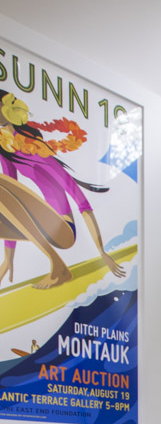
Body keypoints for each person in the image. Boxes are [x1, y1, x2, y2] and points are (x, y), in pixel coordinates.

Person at [0, 90, 126, 289]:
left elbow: (82, 204)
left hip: (63, 229)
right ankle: (29, 263)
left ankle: (59, 268)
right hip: (40, 225)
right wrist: (8, 260)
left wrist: (102, 253)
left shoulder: (38, 150)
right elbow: (9, 202)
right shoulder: (6, 149)